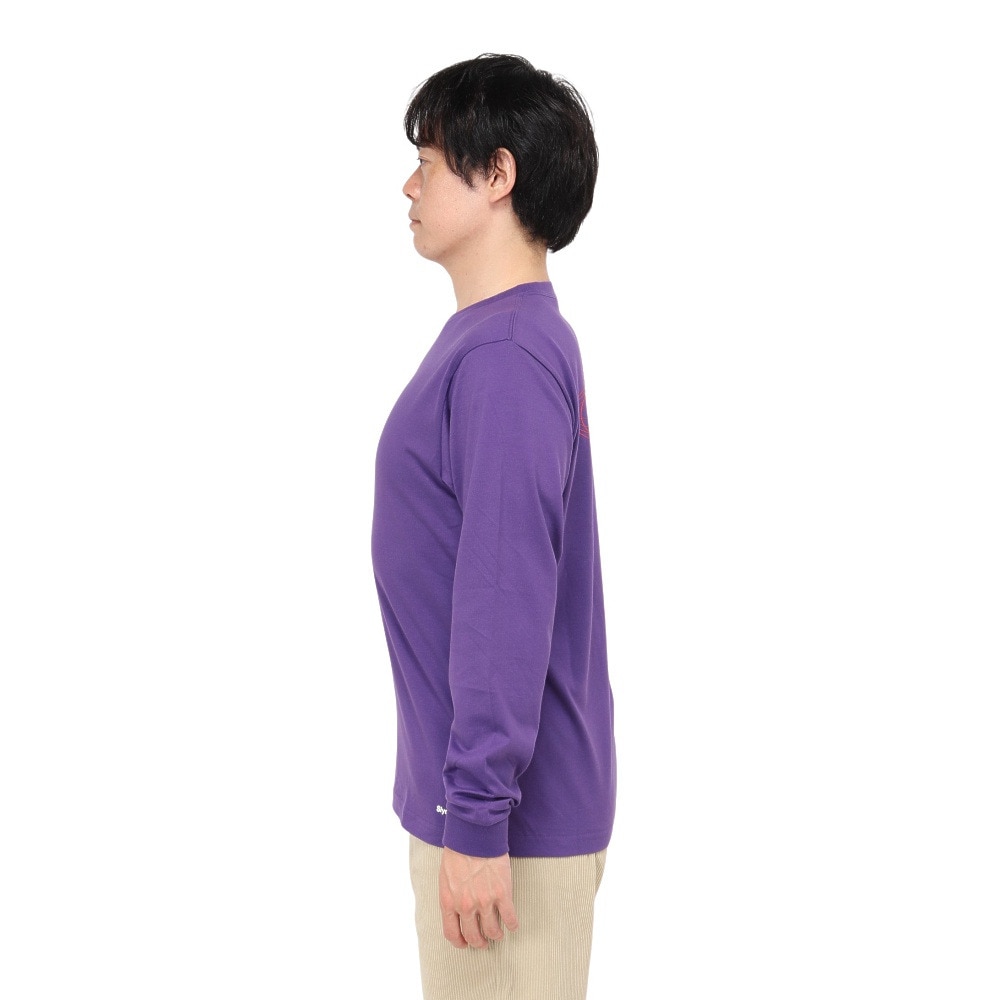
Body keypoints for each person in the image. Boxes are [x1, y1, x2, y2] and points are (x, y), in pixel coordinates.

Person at [371, 53, 616, 1000]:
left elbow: (504, 598)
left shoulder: (507, 354)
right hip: (487, 815)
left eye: (429, 161)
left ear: (498, 174)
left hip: (503, 832)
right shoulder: (500, 339)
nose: (410, 185)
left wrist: (476, 820)